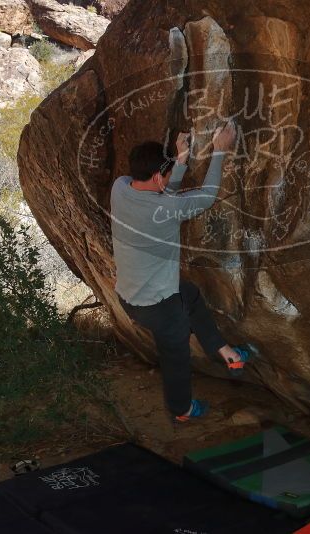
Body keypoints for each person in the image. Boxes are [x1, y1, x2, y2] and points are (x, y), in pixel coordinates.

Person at [110, 122, 252, 423]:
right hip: (159, 309)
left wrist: (181, 160)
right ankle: (182, 410)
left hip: (128, 297)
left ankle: (227, 352)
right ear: (159, 175)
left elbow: (163, 197)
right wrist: (220, 150)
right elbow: (208, 195)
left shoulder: (120, 188)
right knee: (176, 359)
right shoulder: (165, 209)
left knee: (190, 294)